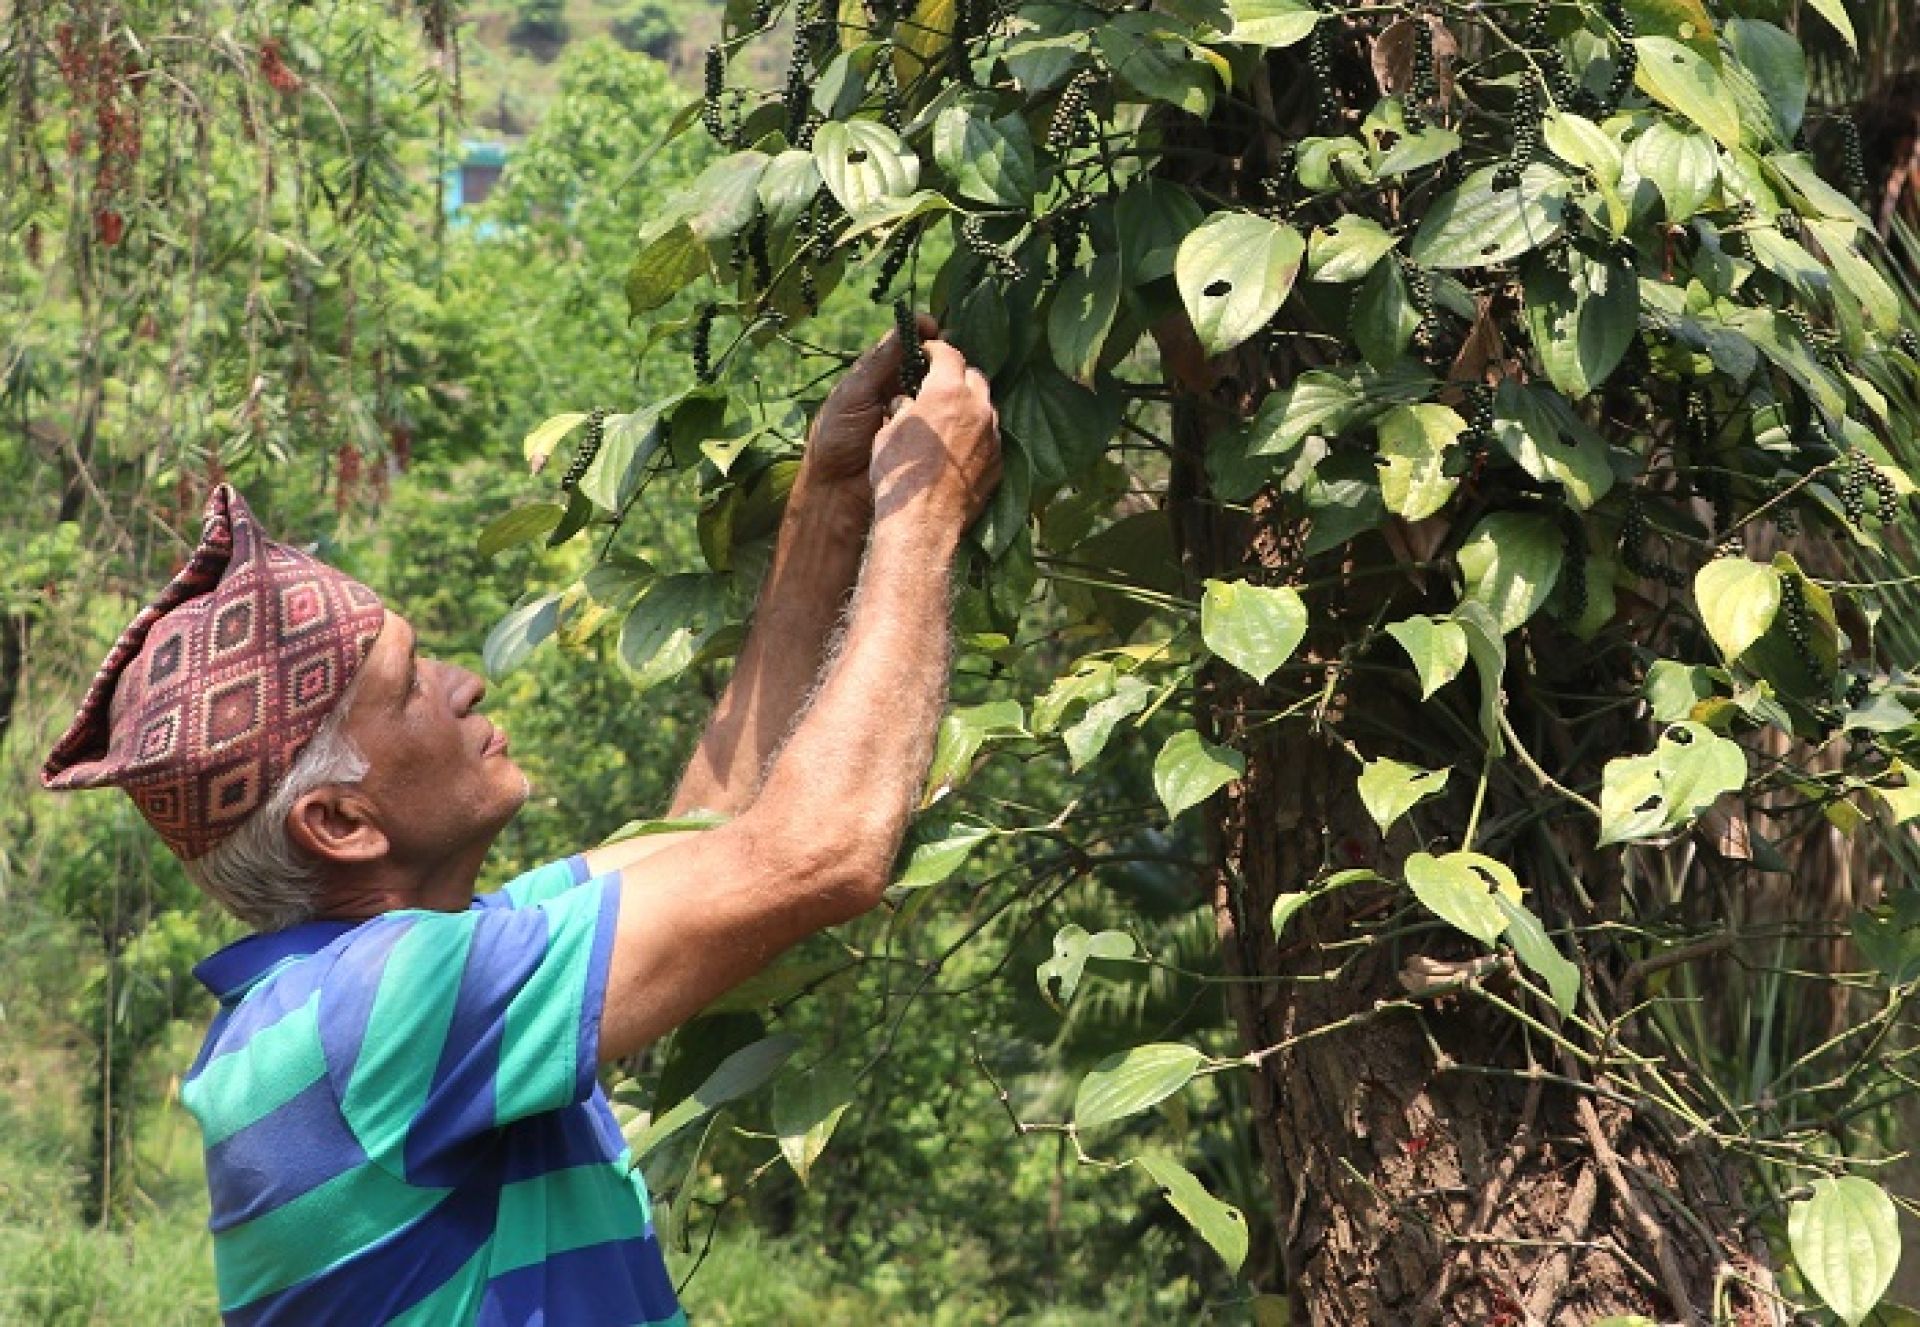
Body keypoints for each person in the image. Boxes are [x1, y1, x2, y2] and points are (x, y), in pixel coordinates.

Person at [40, 326, 1001, 1325]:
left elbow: (710, 841)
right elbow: (814, 853)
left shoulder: (369, 986)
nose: (467, 683)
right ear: (338, 821)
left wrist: (830, 505)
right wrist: (923, 510)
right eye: (412, 683)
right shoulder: (382, 1008)